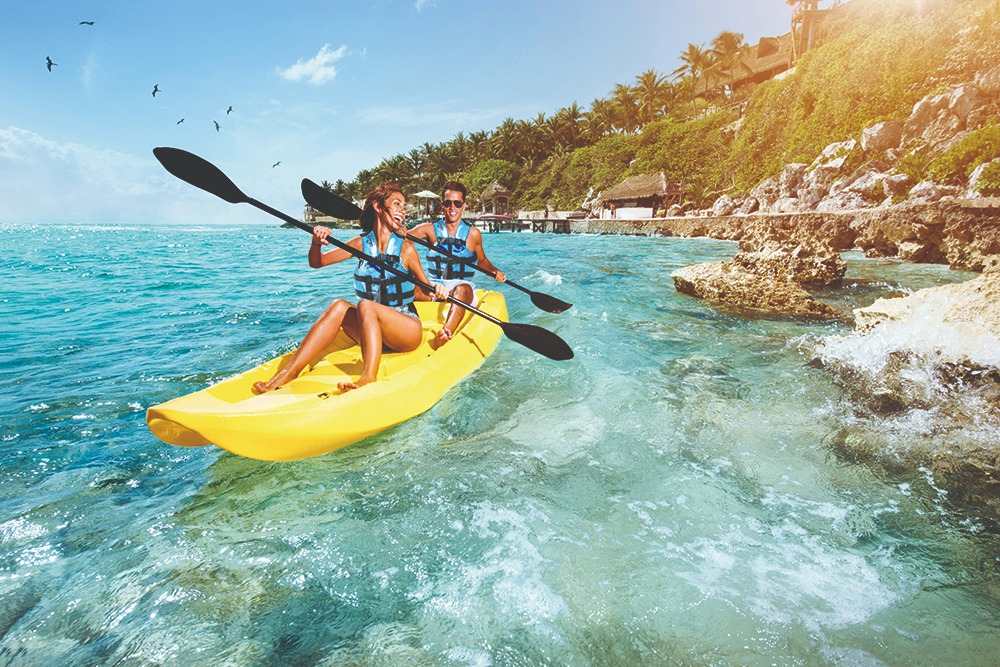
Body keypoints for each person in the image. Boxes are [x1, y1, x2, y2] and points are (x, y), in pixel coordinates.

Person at [252, 182, 446, 394]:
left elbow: (426, 288)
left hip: (405, 330)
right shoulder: (361, 244)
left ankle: (368, 377)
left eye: (403, 205)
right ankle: (289, 372)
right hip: (373, 331)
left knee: (366, 306)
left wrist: (439, 289)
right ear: (378, 207)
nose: (403, 209)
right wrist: (316, 243)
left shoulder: (406, 248)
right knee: (339, 306)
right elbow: (317, 263)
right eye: (397, 203)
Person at [408, 181, 507, 347]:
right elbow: (401, 241)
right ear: (442, 205)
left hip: (461, 288)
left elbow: (481, 260)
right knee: (403, 285)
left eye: (457, 203)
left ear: (463, 205)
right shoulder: (429, 229)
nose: (452, 208)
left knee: (463, 289)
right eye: (447, 203)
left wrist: (494, 271)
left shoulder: (473, 234)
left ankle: (446, 332)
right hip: (433, 287)